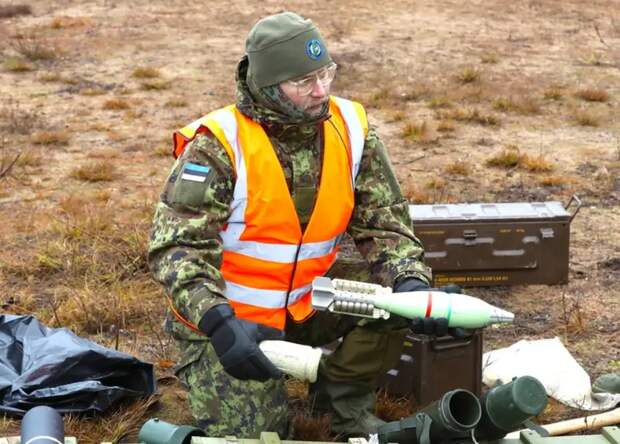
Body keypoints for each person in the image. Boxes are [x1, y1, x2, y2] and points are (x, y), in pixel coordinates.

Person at [148, 11, 437, 439]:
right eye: (304, 83)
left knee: (392, 302)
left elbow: (385, 224)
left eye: (326, 74)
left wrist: (411, 284)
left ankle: (342, 400)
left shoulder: (353, 129)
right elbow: (176, 249)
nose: (321, 91)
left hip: (307, 301)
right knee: (263, 433)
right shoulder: (218, 144)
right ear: (267, 85)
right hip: (232, 321)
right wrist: (217, 322)